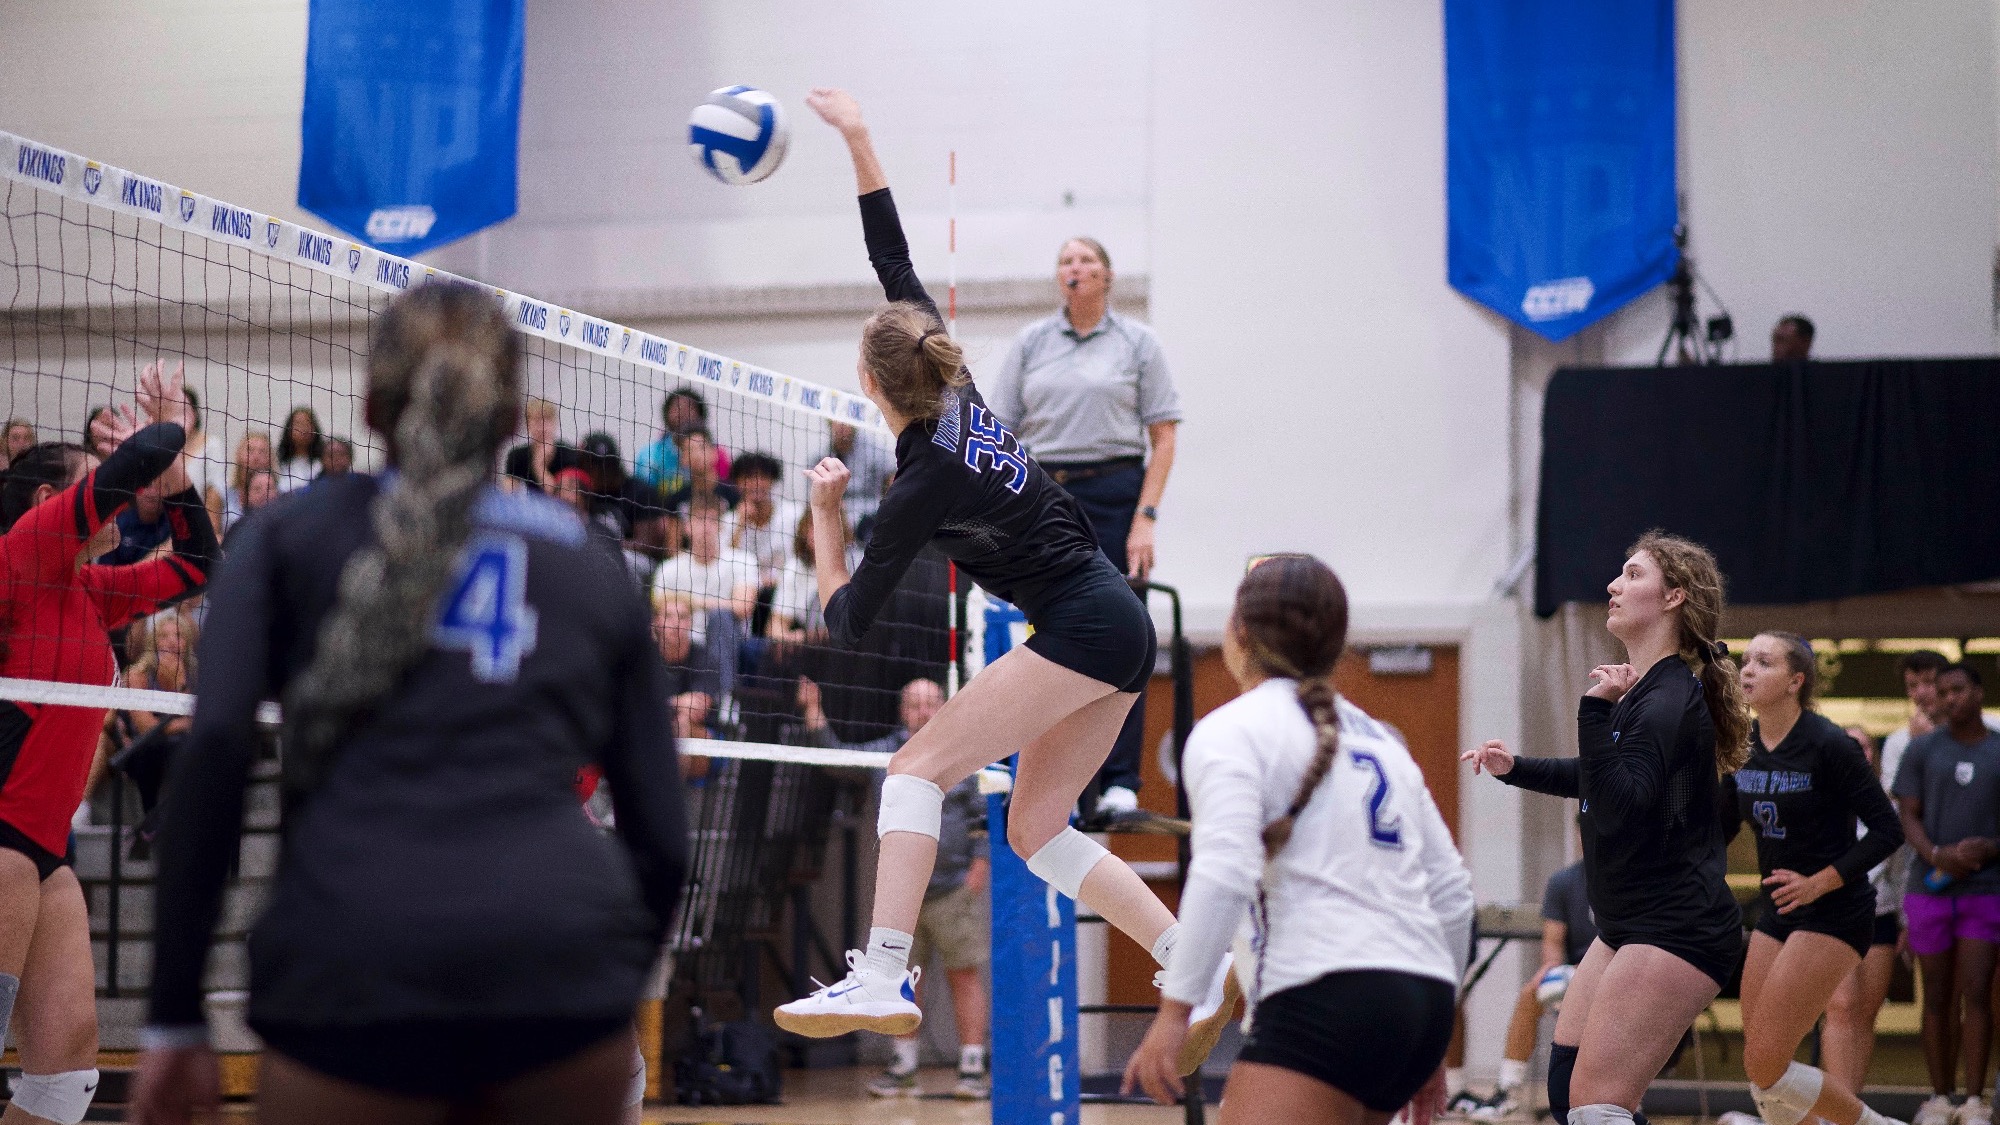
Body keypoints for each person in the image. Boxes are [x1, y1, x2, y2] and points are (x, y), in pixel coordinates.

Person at [132, 282, 690, 1125]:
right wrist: (603, 985)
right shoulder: (589, 560)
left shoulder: (284, 537)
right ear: (509, 423)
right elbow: (662, 831)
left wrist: (175, 1017)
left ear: (369, 406)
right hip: (558, 972)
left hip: (355, 963)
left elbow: (212, 754)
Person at [771, 90, 1230, 1056]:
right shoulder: (958, 389)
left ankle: (884, 970)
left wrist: (821, 519)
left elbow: (844, 621)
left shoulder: (923, 476)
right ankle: (1193, 957)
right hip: (1113, 620)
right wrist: (859, 136)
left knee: (915, 767)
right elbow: (891, 256)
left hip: (1085, 622)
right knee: (1035, 830)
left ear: (869, 385)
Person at [1122, 555, 1473, 1122]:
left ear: (1238, 632)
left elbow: (1225, 871)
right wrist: (1430, 1041)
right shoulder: (1383, 741)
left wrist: (1175, 1012)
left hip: (1326, 997)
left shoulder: (1231, 730)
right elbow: (1453, 894)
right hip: (1425, 999)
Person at [1464, 531, 1751, 1125]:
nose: (1614, 586)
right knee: (1570, 1089)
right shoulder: (1644, 693)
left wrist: (1593, 708)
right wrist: (1514, 768)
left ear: (1673, 598)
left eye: (1633, 575)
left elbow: (1620, 801)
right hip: (1629, 923)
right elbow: (1601, 779)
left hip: (1677, 926)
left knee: (1596, 1107)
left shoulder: (1670, 698)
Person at [0, 360, 215, 1125]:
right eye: (96, 480)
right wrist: (164, 431)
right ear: (51, 502)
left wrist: (178, 471)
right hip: (1, 835)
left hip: (41, 847)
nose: (120, 498)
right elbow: (143, 450)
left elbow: (198, 563)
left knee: (64, 1078)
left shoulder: (89, 589)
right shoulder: (23, 553)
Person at [985, 235, 1181, 818]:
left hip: (1117, 491)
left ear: (1108, 276)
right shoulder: (1031, 343)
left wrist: (1145, 518)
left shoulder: (1138, 343)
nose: (1075, 268)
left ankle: (1120, 780)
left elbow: (1164, 437)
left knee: (1125, 629)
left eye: (1086, 260)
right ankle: (1049, 781)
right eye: (1066, 260)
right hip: (1044, 493)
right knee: (1044, 633)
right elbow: (999, 430)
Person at [1718, 632, 1905, 1125]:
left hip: (1835, 911)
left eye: (1764, 662)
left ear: (1795, 681)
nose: (1747, 670)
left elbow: (1889, 830)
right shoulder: (1742, 745)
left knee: (1765, 1060)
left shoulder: (1829, 744)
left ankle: (1871, 1124)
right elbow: (1718, 828)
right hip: (1778, 910)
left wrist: (1821, 881)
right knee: (1760, 1063)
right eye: (1746, 660)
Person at [796, 677, 991, 1100]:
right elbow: (836, 760)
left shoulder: (964, 754)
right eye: (915, 705)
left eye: (931, 704)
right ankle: (904, 1067)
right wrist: (814, 713)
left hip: (952, 887)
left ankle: (972, 1068)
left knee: (965, 974)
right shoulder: (890, 755)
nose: (923, 712)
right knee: (899, 980)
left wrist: (980, 867)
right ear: (903, 712)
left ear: (943, 708)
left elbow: (982, 818)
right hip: (903, 896)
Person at [1892, 664, 2000, 1125]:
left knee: (1975, 990)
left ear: (1978, 692)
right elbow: (1907, 814)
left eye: (1958, 689)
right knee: (1934, 993)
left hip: (1986, 887)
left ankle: (1975, 1100)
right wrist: (1936, 854)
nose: (1950, 698)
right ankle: (1940, 1098)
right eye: (1943, 692)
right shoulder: (1921, 749)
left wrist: (1990, 848)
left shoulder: (1999, 748)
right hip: (1929, 889)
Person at [1451, 856, 1597, 1121]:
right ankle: (1509, 1090)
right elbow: (1553, 945)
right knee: (1531, 992)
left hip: (1622, 972)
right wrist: (1551, 968)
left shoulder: (1632, 872)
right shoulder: (1564, 881)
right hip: (1577, 974)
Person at [1823, 723, 1906, 1104]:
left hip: (1881, 915)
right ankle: (1835, 1107)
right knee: (1840, 1008)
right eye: (1851, 745)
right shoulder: (1818, 800)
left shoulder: (1888, 806)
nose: (1860, 752)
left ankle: (1852, 1104)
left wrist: (1907, 918)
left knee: (1864, 1015)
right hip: (1832, 916)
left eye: (1867, 746)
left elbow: (1902, 868)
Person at [649, 496, 758, 640]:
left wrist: (691, 601)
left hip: (729, 643)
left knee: (721, 617)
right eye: (699, 519)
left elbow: (743, 607)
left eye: (712, 520)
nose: (706, 526)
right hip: (682, 642)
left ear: (721, 526)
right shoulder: (669, 568)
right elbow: (657, 606)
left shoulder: (743, 560)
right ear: (687, 526)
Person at [654, 593, 723, 740]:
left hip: (700, 732)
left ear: (690, 622)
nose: (675, 623)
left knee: (681, 723)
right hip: (654, 725)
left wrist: (659, 704)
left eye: (682, 617)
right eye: (668, 616)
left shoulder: (705, 659)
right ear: (656, 621)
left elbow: (697, 710)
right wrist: (677, 702)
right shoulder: (644, 657)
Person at [725, 452, 792, 585]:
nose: (756, 483)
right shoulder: (728, 520)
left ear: (772, 480)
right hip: (743, 591)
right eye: (748, 477)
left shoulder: (792, 514)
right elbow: (725, 565)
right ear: (737, 483)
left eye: (763, 477)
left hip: (785, 588)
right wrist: (739, 525)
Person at [828, 420, 896, 530]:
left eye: (845, 422)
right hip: (838, 512)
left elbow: (893, 478)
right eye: (837, 422)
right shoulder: (821, 455)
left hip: (871, 514)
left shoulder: (876, 452)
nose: (842, 426)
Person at [502, 396, 579, 493]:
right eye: (536, 420)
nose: (542, 426)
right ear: (527, 424)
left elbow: (560, 496)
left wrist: (539, 466)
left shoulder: (568, 453)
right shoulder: (517, 455)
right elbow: (508, 493)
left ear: (555, 423)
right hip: (531, 506)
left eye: (547, 420)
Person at [665, 428, 741, 515]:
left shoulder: (734, 494)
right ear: (683, 459)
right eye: (690, 450)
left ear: (715, 453)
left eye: (702, 448)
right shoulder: (677, 500)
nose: (697, 455)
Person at [222, 431, 274, 533]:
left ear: (270, 458)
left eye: (262, 451)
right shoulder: (224, 495)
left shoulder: (279, 495)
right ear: (238, 454)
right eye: (250, 450)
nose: (256, 457)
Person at [274, 406, 325, 492]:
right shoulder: (277, 463)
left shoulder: (323, 463)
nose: (303, 429)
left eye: (307, 424)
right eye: (298, 424)